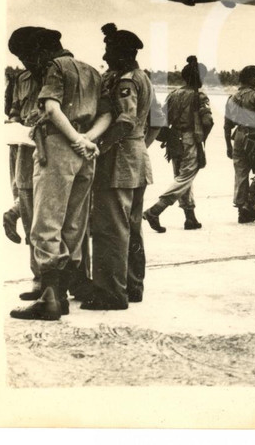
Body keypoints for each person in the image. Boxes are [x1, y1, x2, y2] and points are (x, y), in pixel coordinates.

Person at [10, 29, 104, 321]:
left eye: (27, 57)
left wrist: (74, 139)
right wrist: (87, 140)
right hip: (87, 152)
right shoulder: (92, 72)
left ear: (40, 52)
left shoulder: (54, 67)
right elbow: (108, 113)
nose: (27, 64)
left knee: (46, 222)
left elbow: (51, 109)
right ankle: (61, 293)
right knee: (74, 223)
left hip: (57, 146)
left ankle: (50, 299)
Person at [80, 24, 156, 310]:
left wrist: (101, 146)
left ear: (124, 53)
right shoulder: (142, 78)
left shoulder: (127, 82)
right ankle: (132, 286)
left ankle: (111, 293)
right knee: (132, 228)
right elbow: (155, 122)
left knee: (111, 228)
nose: (105, 55)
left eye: (109, 50)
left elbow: (125, 120)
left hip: (119, 161)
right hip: (135, 159)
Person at [144, 56, 214, 233]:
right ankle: (155, 210)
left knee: (181, 178)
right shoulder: (200, 96)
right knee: (185, 178)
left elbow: (160, 118)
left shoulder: (173, 95)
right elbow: (208, 121)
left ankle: (190, 217)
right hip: (190, 139)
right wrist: (202, 137)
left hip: (174, 140)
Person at [4, 28, 46, 297]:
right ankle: (40, 279)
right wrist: (16, 120)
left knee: (50, 216)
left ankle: (61, 280)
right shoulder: (22, 78)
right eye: (21, 58)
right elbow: (15, 110)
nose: (25, 62)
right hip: (24, 148)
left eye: (28, 56)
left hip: (50, 148)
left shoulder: (56, 74)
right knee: (30, 209)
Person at [224, 65, 255, 223]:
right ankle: (249, 204)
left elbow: (227, 125)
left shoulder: (232, 98)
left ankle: (242, 212)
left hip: (239, 137)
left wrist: (228, 146)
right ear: (249, 79)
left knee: (241, 175)